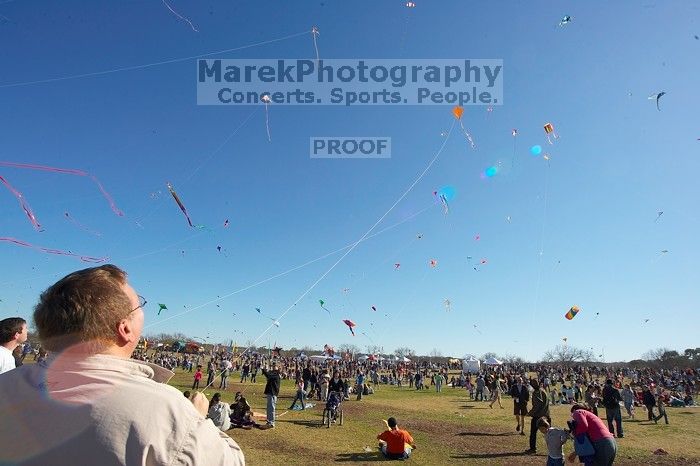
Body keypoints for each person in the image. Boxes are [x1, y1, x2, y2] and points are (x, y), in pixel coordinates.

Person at [0, 264, 244, 465]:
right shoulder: (165, 410)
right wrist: (200, 422)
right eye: (140, 306)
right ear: (125, 328)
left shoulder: (6, 385)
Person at [527, 378, 551, 454]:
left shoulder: (536, 393)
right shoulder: (543, 390)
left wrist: (530, 413)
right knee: (549, 434)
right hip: (546, 415)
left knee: (533, 433)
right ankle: (552, 448)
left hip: (538, 417)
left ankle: (532, 448)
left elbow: (537, 406)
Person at [261, 361, 281, 429]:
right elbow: (268, 374)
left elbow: (268, 375)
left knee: (271, 408)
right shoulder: (273, 373)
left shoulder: (276, 374)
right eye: (273, 365)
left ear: (278, 367)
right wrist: (265, 369)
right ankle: (269, 421)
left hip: (272, 393)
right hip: (269, 392)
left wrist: (264, 369)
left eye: (275, 365)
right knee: (269, 408)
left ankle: (271, 423)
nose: (273, 366)